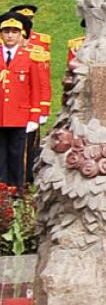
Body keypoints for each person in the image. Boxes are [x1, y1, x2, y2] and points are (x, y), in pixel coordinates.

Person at [0, 11, 51, 190]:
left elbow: (36, 88)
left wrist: (36, 115)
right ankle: (2, 189)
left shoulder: (30, 57)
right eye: (6, 32)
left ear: (21, 34)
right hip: (1, 114)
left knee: (17, 153)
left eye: (14, 32)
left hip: (20, 114)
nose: (10, 35)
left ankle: (17, 188)